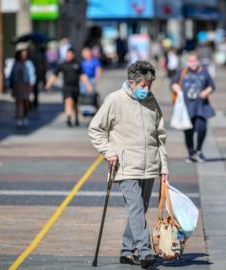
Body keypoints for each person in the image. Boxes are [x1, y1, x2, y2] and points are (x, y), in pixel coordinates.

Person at [88, 61, 168, 269]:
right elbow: (95, 129)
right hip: (124, 166)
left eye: (149, 85)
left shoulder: (151, 101)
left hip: (149, 165)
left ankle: (126, 250)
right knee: (135, 209)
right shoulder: (115, 100)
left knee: (140, 209)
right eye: (143, 85)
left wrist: (164, 167)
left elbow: (160, 136)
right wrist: (108, 151)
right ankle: (145, 251)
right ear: (131, 83)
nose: (147, 89)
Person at [171, 52, 216, 163]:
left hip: (201, 106)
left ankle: (199, 150)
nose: (192, 63)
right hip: (186, 108)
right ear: (187, 62)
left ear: (198, 61)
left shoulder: (204, 72)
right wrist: (177, 89)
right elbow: (173, 84)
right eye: (190, 61)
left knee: (202, 128)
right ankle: (191, 153)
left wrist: (206, 91)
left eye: (194, 60)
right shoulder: (182, 72)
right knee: (188, 132)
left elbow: (212, 85)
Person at [45, 48, 92, 127]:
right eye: (67, 54)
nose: (68, 56)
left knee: (75, 104)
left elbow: (82, 75)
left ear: (73, 55)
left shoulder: (77, 64)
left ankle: (76, 118)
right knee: (68, 101)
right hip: (67, 87)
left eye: (70, 55)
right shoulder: (62, 64)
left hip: (76, 87)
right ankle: (69, 118)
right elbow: (55, 75)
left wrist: (88, 85)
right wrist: (49, 84)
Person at [9, 45, 36, 128]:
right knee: (18, 102)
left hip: (26, 84)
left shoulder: (29, 63)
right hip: (17, 85)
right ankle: (19, 119)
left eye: (25, 54)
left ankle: (25, 117)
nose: (24, 55)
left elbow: (32, 74)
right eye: (22, 54)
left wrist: (32, 83)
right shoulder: (16, 63)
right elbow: (12, 74)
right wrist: (10, 83)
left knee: (25, 102)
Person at [28, 44, 48, 110]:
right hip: (35, 74)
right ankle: (34, 102)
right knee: (34, 90)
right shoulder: (38, 56)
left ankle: (33, 102)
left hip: (35, 74)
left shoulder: (32, 56)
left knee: (33, 89)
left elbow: (42, 66)